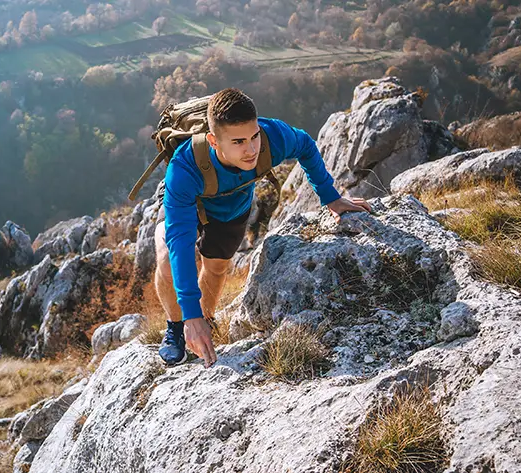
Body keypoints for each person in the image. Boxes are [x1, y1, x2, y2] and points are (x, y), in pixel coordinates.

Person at [155, 88, 371, 368]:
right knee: (166, 254)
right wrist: (189, 313)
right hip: (188, 200)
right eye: (238, 142)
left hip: (232, 207)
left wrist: (331, 197)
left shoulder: (273, 137)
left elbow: (305, 144)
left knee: (217, 267)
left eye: (254, 136)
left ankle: (205, 323)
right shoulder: (184, 168)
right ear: (213, 140)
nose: (251, 149)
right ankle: (176, 328)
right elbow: (180, 243)